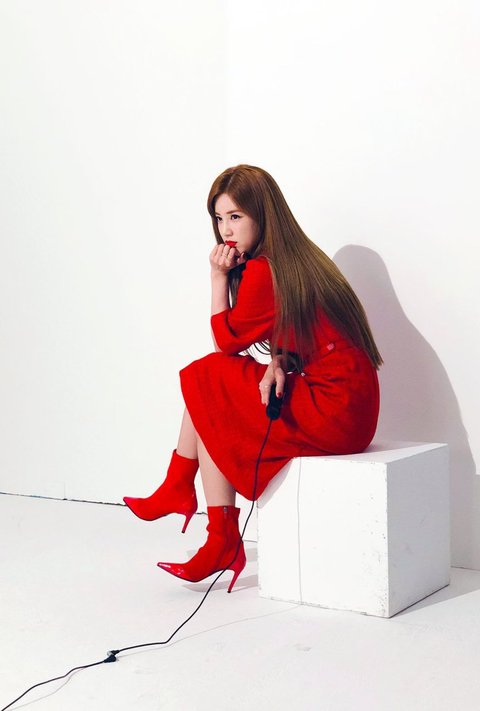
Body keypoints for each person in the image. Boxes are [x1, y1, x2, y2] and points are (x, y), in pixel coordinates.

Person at [123, 164, 382, 593]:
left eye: (236, 216)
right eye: (219, 218)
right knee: (211, 391)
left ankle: (201, 510)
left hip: (333, 409)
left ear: (263, 214)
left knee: (209, 373)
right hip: (353, 408)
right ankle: (196, 507)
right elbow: (320, 336)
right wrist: (280, 360)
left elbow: (226, 343)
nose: (225, 230)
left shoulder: (263, 270)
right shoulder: (301, 259)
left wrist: (217, 277)